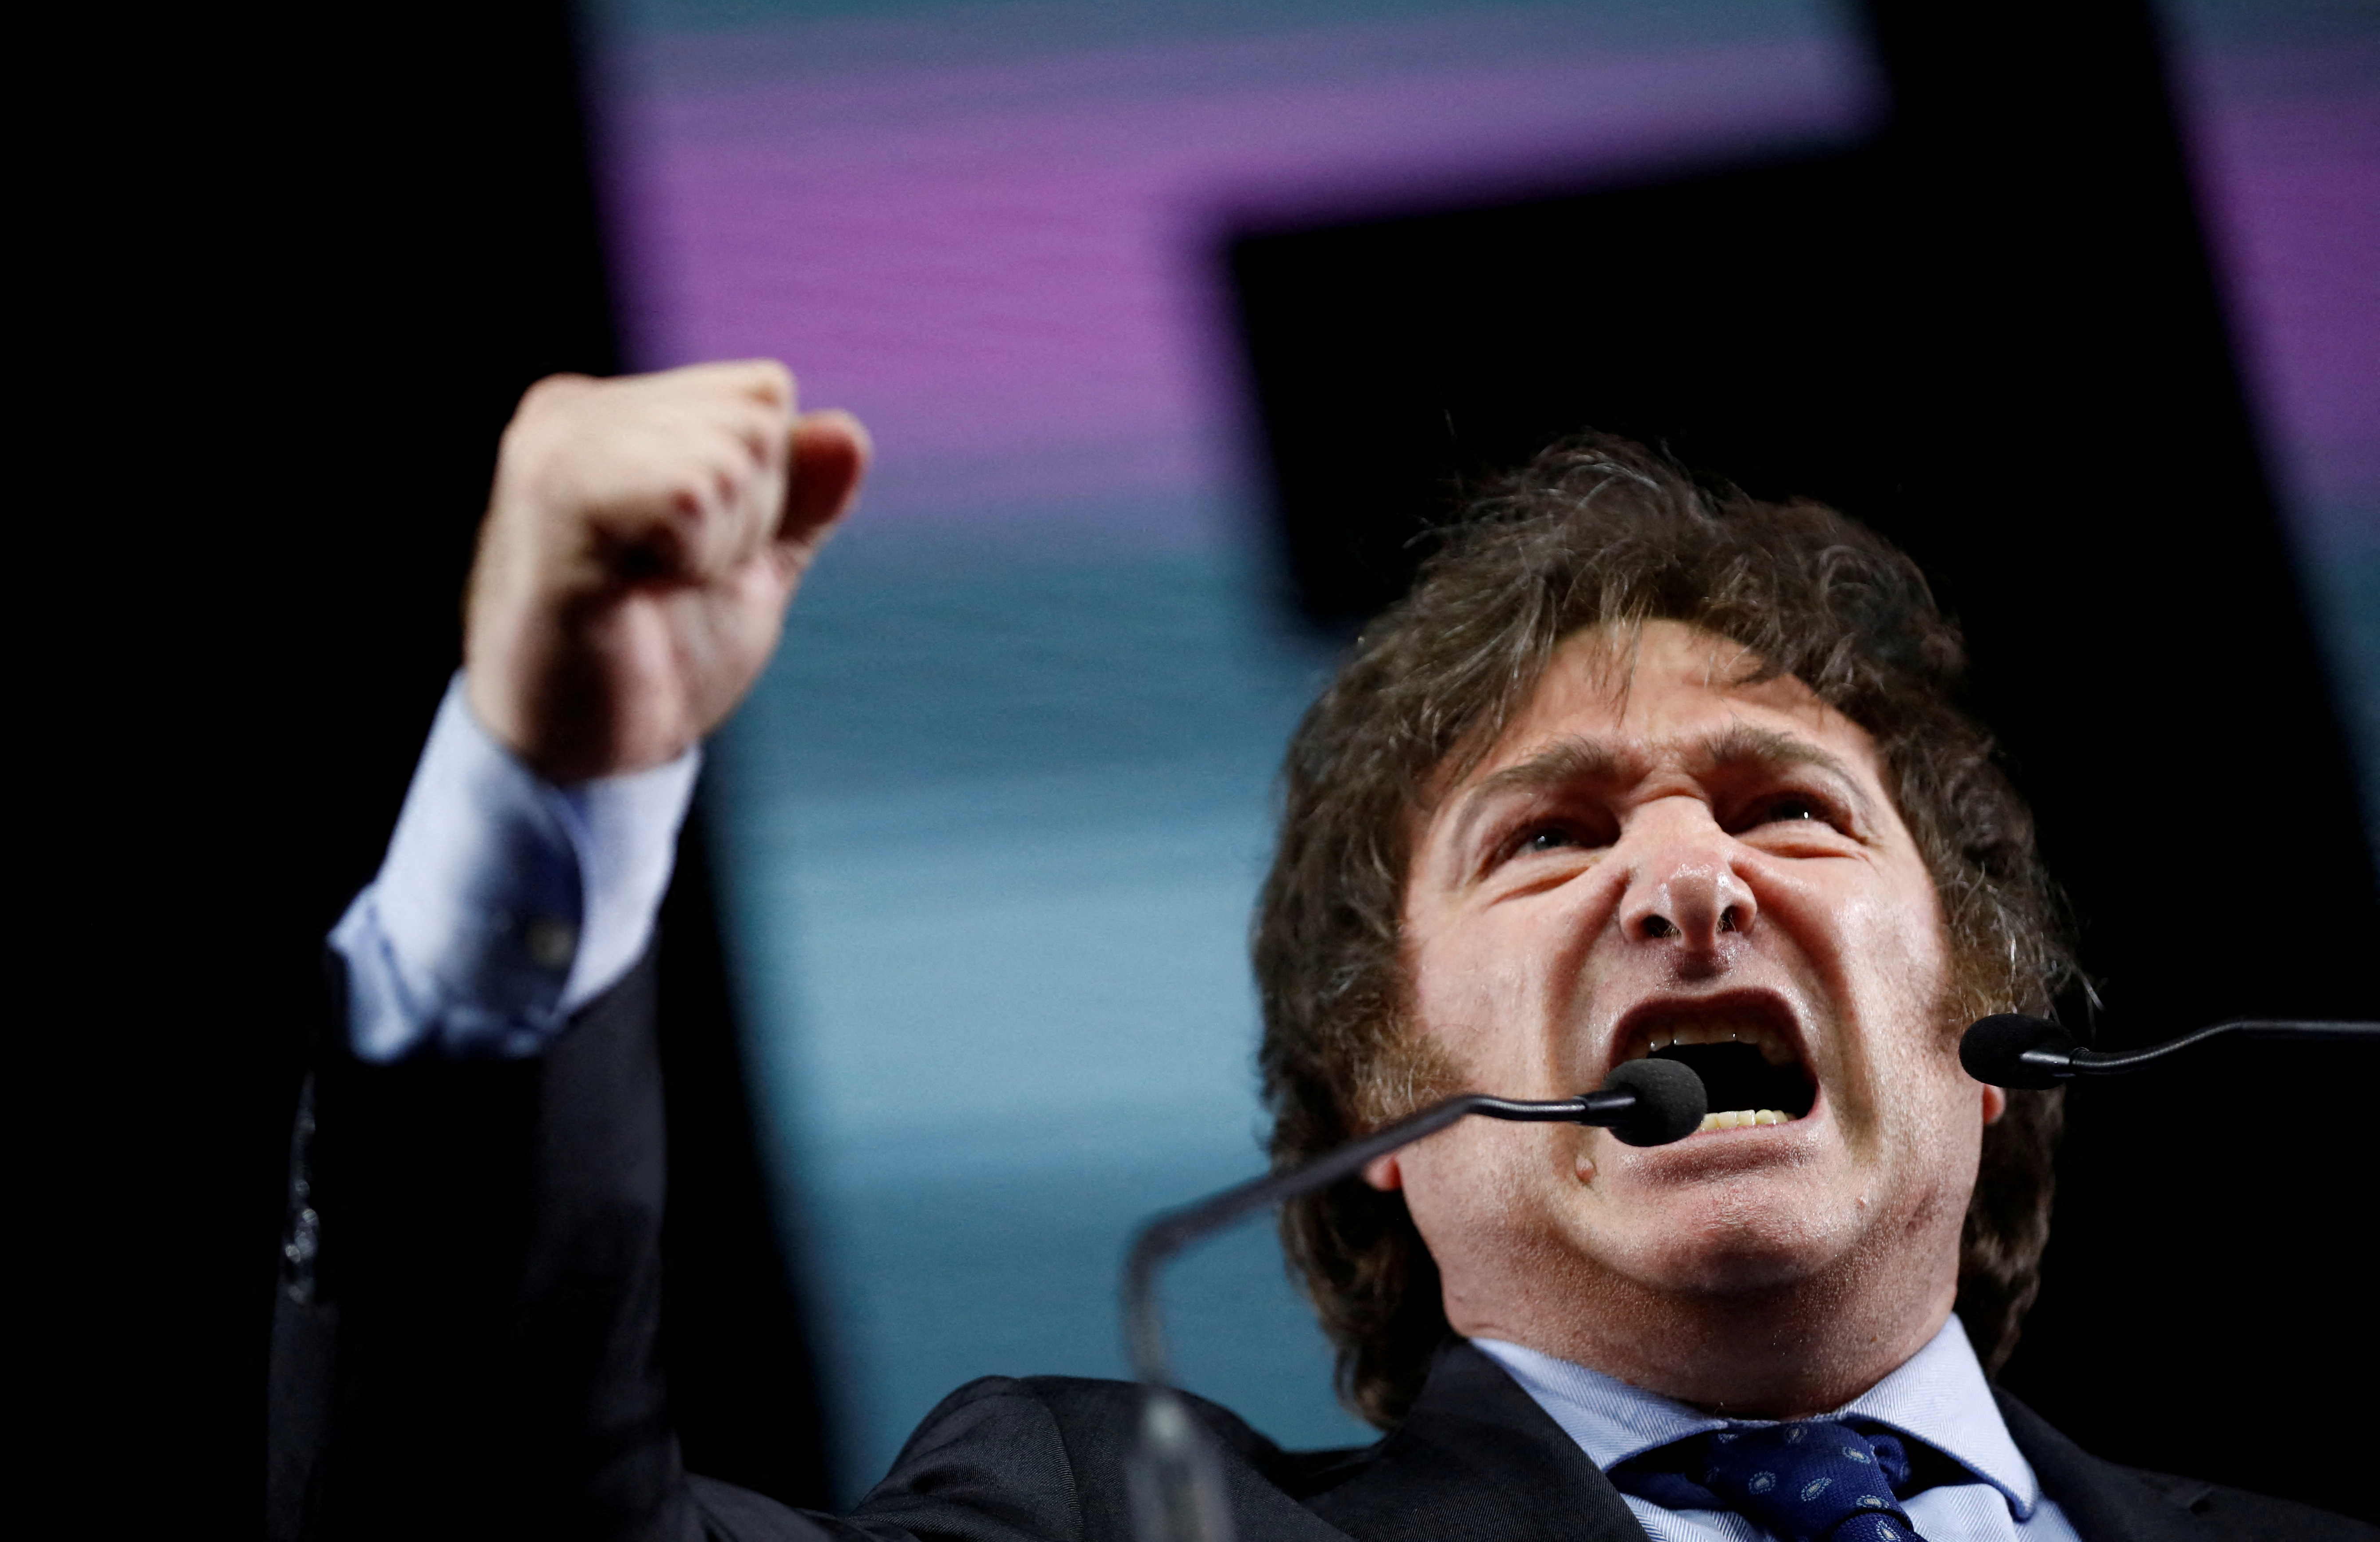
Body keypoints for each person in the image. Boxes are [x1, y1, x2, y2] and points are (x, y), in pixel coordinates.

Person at [267, 361, 2369, 1542]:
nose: (1683, 882)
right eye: (1546, 837)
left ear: (1988, 1054)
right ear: (1387, 1110)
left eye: (1779, 804)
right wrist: (557, 784)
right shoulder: (1113, 1522)